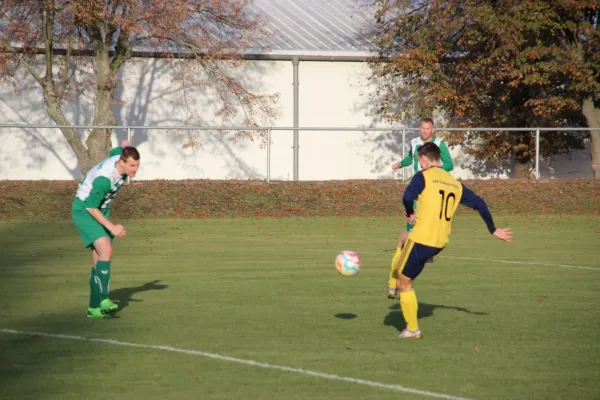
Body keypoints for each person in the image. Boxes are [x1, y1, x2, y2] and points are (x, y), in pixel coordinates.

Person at [390, 142, 512, 339]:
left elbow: (407, 196)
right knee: (404, 262)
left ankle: (412, 329)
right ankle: (394, 282)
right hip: (439, 243)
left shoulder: (423, 176)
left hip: (422, 238)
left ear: (423, 159)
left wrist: (410, 212)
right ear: (439, 158)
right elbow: (480, 203)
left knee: (403, 281)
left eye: (420, 162)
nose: (420, 166)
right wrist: (493, 229)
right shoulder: (454, 183)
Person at [71, 141, 140, 318]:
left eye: (137, 165)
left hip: (100, 209)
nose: (135, 169)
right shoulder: (104, 180)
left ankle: (94, 308)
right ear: (122, 163)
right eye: (132, 165)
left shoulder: (120, 156)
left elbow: (117, 150)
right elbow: (90, 206)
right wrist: (112, 227)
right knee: (107, 250)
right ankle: (103, 299)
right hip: (85, 211)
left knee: (100, 258)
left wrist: (127, 145)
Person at [388, 118, 455, 298]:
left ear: (433, 131)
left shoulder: (439, 144)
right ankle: (398, 276)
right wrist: (399, 164)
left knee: (415, 229)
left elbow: (450, 164)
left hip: (432, 187)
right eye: (422, 128)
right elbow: (411, 158)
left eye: (428, 128)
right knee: (411, 227)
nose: (424, 131)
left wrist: (434, 169)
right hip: (418, 187)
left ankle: (400, 274)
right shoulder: (414, 142)